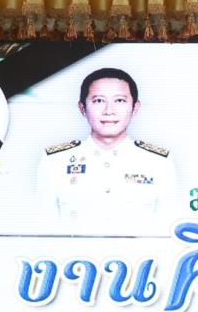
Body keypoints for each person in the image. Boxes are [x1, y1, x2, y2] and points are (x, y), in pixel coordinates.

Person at [38, 66, 176, 227]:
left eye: (120, 101)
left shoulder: (158, 162)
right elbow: (43, 226)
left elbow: (167, 228)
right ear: (82, 108)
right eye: (98, 101)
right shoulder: (55, 161)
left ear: (135, 107)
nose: (109, 111)